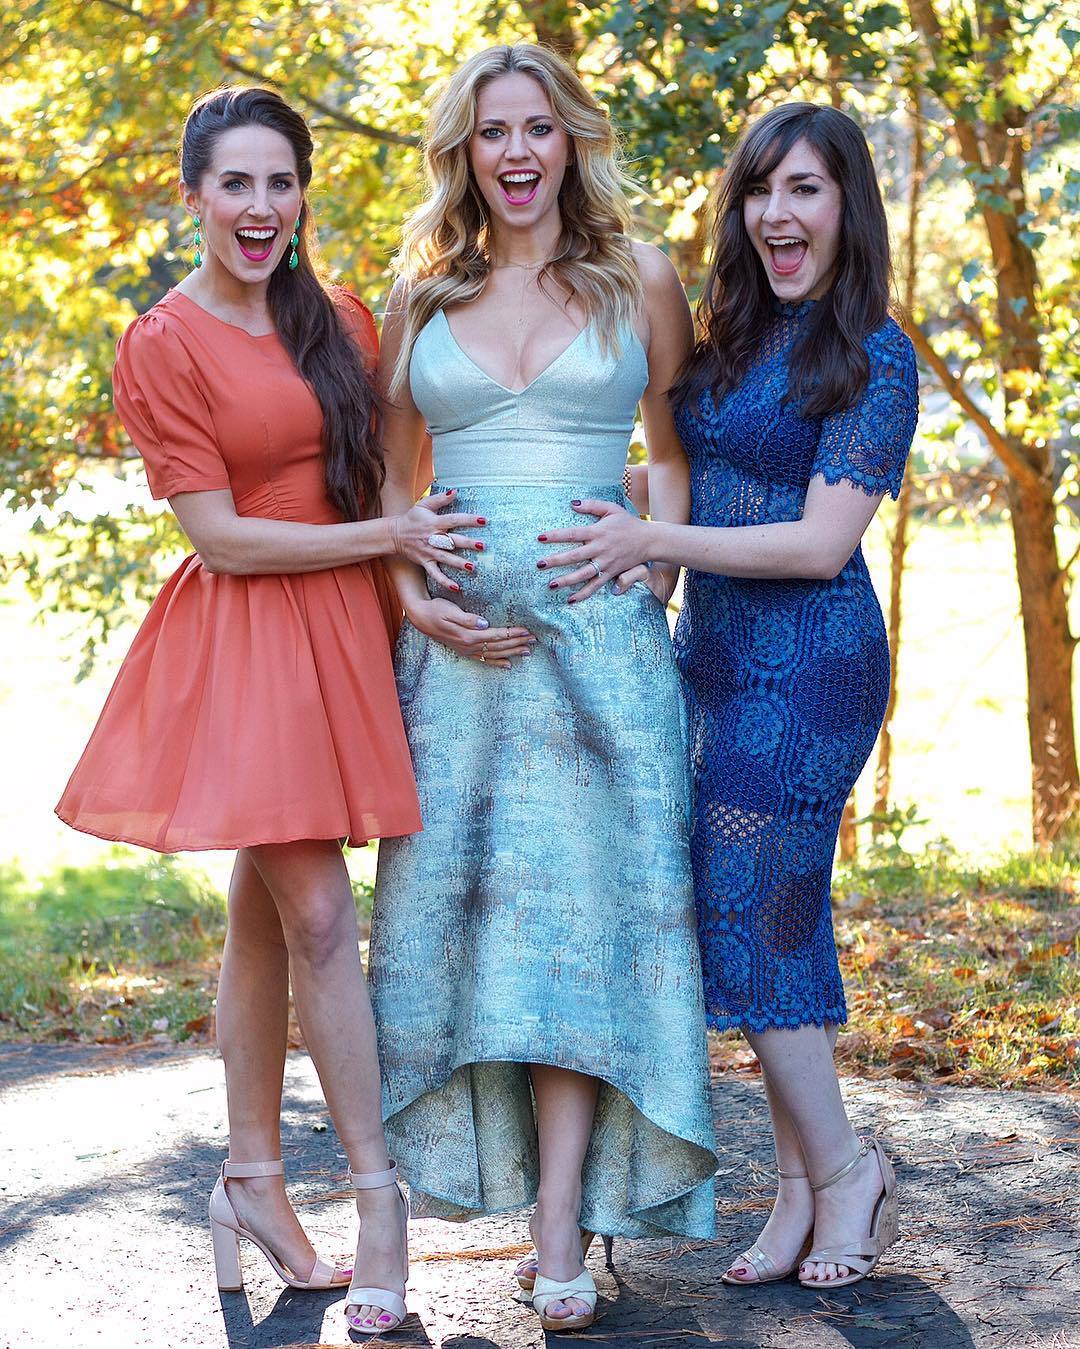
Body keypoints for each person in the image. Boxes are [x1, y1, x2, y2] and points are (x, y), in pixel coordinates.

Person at [54, 86, 484, 1335]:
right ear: (192, 192)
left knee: (266, 899)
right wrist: (386, 538)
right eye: (235, 183)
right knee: (320, 912)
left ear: (302, 193)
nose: (259, 207)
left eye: (279, 182)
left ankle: (249, 1176)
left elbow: (406, 454)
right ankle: (377, 1193)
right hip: (250, 638)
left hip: (346, 627)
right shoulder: (163, 343)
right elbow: (223, 539)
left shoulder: (337, 316)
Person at [367, 43, 718, 1334]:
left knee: (582, 933)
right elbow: (390, 477)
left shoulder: (641, 279)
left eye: (536, 128)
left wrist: (653, 572)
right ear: (463, 152)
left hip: (601, 658)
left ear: (570, 139)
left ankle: (561, 1218)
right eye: (490, 131)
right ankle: (455, 1205)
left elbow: (671, 454)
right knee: (474, 933)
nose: (515, 152)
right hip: (459, 669)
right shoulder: (422, 292)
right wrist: (412, 596)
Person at [537, 102, 918, 1290]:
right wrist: (569, 487)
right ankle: (802, 1187)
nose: (778, 214)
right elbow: (684, 466)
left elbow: (818, 542)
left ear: (848, 207)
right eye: (761, 190)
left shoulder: (874, 353)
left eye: (805, 189)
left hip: (812, 666)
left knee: (750, 904)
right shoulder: (729, 331)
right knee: (774, 912)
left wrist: (656, 537)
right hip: (712, 655)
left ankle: (848, 1169)